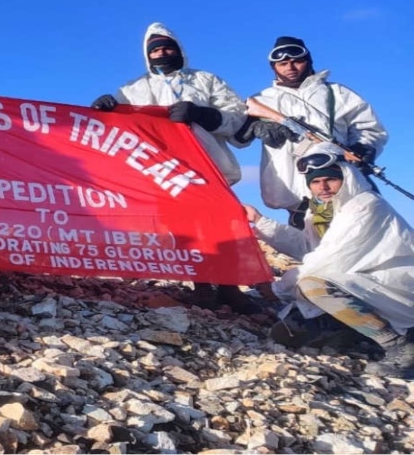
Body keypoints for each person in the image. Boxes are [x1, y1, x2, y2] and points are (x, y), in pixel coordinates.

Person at [91, 22, 256, 313]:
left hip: (209, 166)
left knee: (223, 225)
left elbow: (237, 119)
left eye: (167, 47)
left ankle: (231, 286)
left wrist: (203, 114)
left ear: (179, 50)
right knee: (184, 228)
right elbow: (116, 127)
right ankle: (202, 285)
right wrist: (103, 109)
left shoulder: (206, 81)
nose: (162, 53)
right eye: (155, 49)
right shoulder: (134, 89)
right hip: (164, 172)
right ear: (147, 55)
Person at [243, 145, 413, 379]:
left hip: (393, 285)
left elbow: (328, 260)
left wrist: (277, 289)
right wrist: (261, 222)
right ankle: (359, 334)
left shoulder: (364, 206)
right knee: (284, 334)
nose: (322, 187)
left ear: (346, 176)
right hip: (359, 283)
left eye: (330, 180)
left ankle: (399, 346)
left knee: (315, 286)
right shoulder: (322, 212)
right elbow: (307, 248)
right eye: (315, 182)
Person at [237, 36, 387, 228]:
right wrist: (256, 127)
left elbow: (369, 128)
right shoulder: (261, 100)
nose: (290, 68)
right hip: (296, 202)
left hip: (345, 188)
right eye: (283, 63)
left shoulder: (338, 93)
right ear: (273, 67)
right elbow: (237, 137)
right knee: (312, 252)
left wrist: (363, 148)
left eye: (297, 61)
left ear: (309, 61)